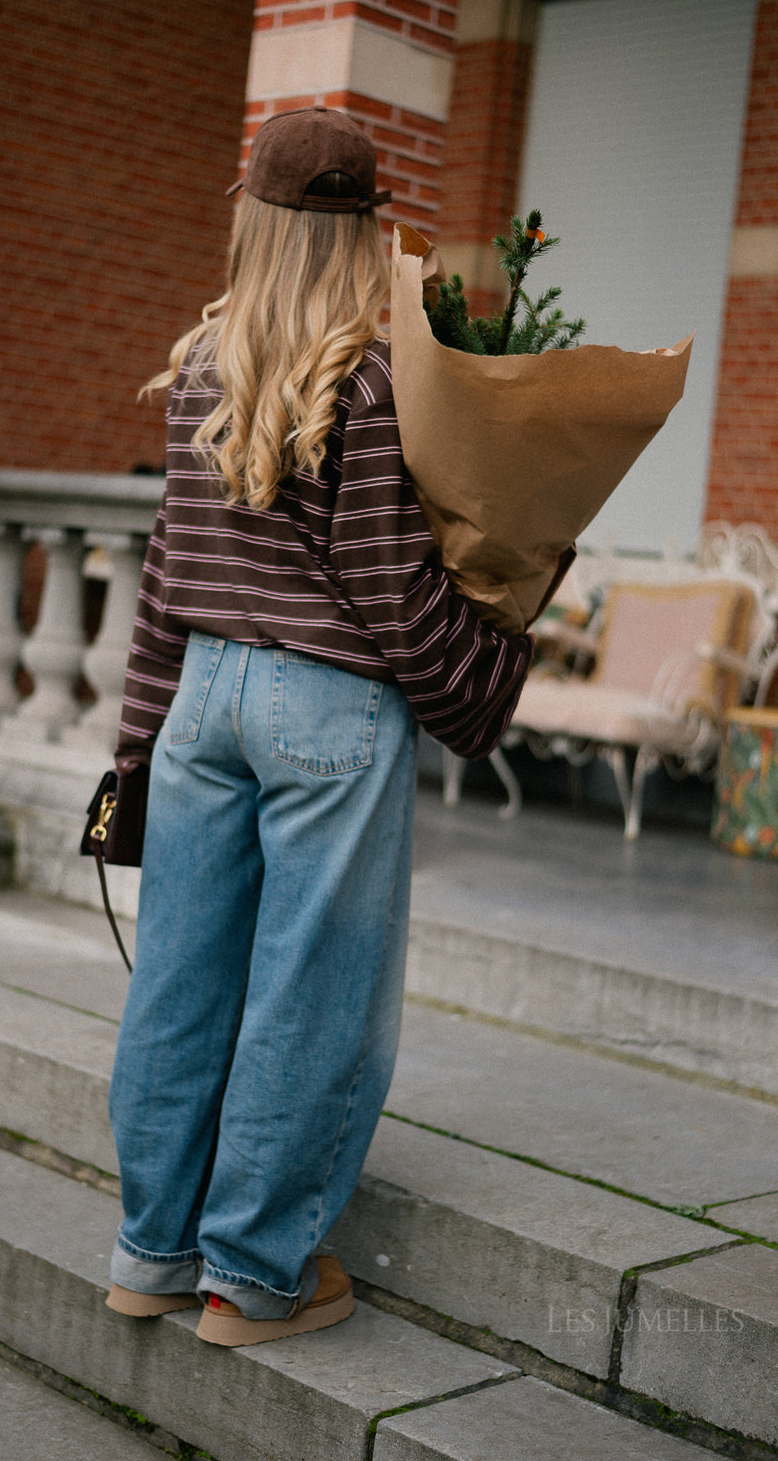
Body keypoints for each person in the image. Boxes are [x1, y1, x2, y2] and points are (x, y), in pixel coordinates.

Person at [105, 106, 533, 1347]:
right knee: (312, 994)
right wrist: (494, 667)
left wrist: (134, 746)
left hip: (202, 698)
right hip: (326, 711)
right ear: (365, 233)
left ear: (252, 220)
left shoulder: (202, 363)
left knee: (179, 979)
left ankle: (151, 1254)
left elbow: (166, 575)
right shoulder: (375, 376)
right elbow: (391, 594)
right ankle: (253, 1277)